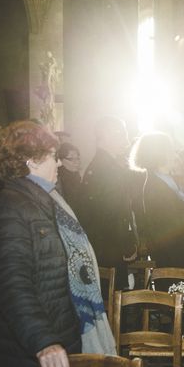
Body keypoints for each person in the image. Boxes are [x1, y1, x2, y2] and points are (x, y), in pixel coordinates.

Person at [0, 121, 117, 367]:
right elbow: (12, 286)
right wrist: (43, 341)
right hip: (34, 353)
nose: (58, 163)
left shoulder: (45, 200)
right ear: (30, 159)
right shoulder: (12, 207)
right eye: (51, 156)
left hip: (62, 338)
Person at [129, 132, 184, 269]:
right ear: (160, 154)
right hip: (174, 258)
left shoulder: (165, 181)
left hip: (179, 255)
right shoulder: (157, 186)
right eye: (171, 150)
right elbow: (183, 221)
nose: (175, 155)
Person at [77, 116, 137, 289]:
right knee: (113, 303)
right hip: (110, 248)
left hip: (99, 246)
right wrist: (127, 243)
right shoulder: (109, 169)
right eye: (122, 134)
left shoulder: (96, 165)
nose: (125, 140)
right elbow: (113, 212)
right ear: (108, 135)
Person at [56, 142, 82, 213]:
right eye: (71, 159)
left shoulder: (75, 175)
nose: (76, 162)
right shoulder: (58, 179)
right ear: (60, 160)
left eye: (77, 158)